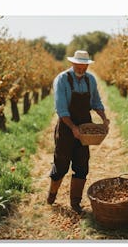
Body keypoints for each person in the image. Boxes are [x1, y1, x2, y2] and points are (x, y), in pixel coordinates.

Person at [47, 50, 110, 214]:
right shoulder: (62, 79)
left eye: (85, 66)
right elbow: (61, 109)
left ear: (88, 65)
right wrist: (74, 128)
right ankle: (52, 194)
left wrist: (104, 118)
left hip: (84, 128)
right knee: (61, 165)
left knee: (82, 166)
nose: (82, 69)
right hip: (67, 127)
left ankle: (75, 202)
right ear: (73, 63)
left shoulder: (90, 80)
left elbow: (96, 101)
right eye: (79, 65)